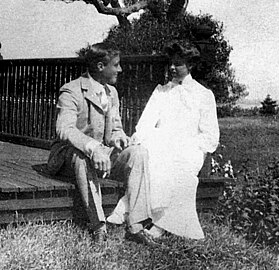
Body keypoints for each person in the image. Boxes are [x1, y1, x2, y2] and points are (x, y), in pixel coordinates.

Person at [109, 42, 220, 241]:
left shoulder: (204, 95)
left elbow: (210, 136)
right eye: (171, 63)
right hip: (160, 145)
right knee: (154, 159)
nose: (171, 68)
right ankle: (143, 216)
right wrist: (146, 140)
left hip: (190, 149)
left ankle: (160, 224)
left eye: (178, 64)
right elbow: (144, 125)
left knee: (180, 171)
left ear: (190, 66)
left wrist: (183, 144)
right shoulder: (161, 91)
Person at [47, 42, 130, 242]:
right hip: (70, 156)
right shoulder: (71, 90)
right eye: (116, 65)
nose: (120, 69)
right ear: (101, 67)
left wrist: (119, 137)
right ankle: (98, 225)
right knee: (82, 156)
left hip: (103, 154)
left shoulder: (112, 92)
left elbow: (115, 128)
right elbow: (64, 129)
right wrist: (93, 148)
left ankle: (136, 223)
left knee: (139, 153)